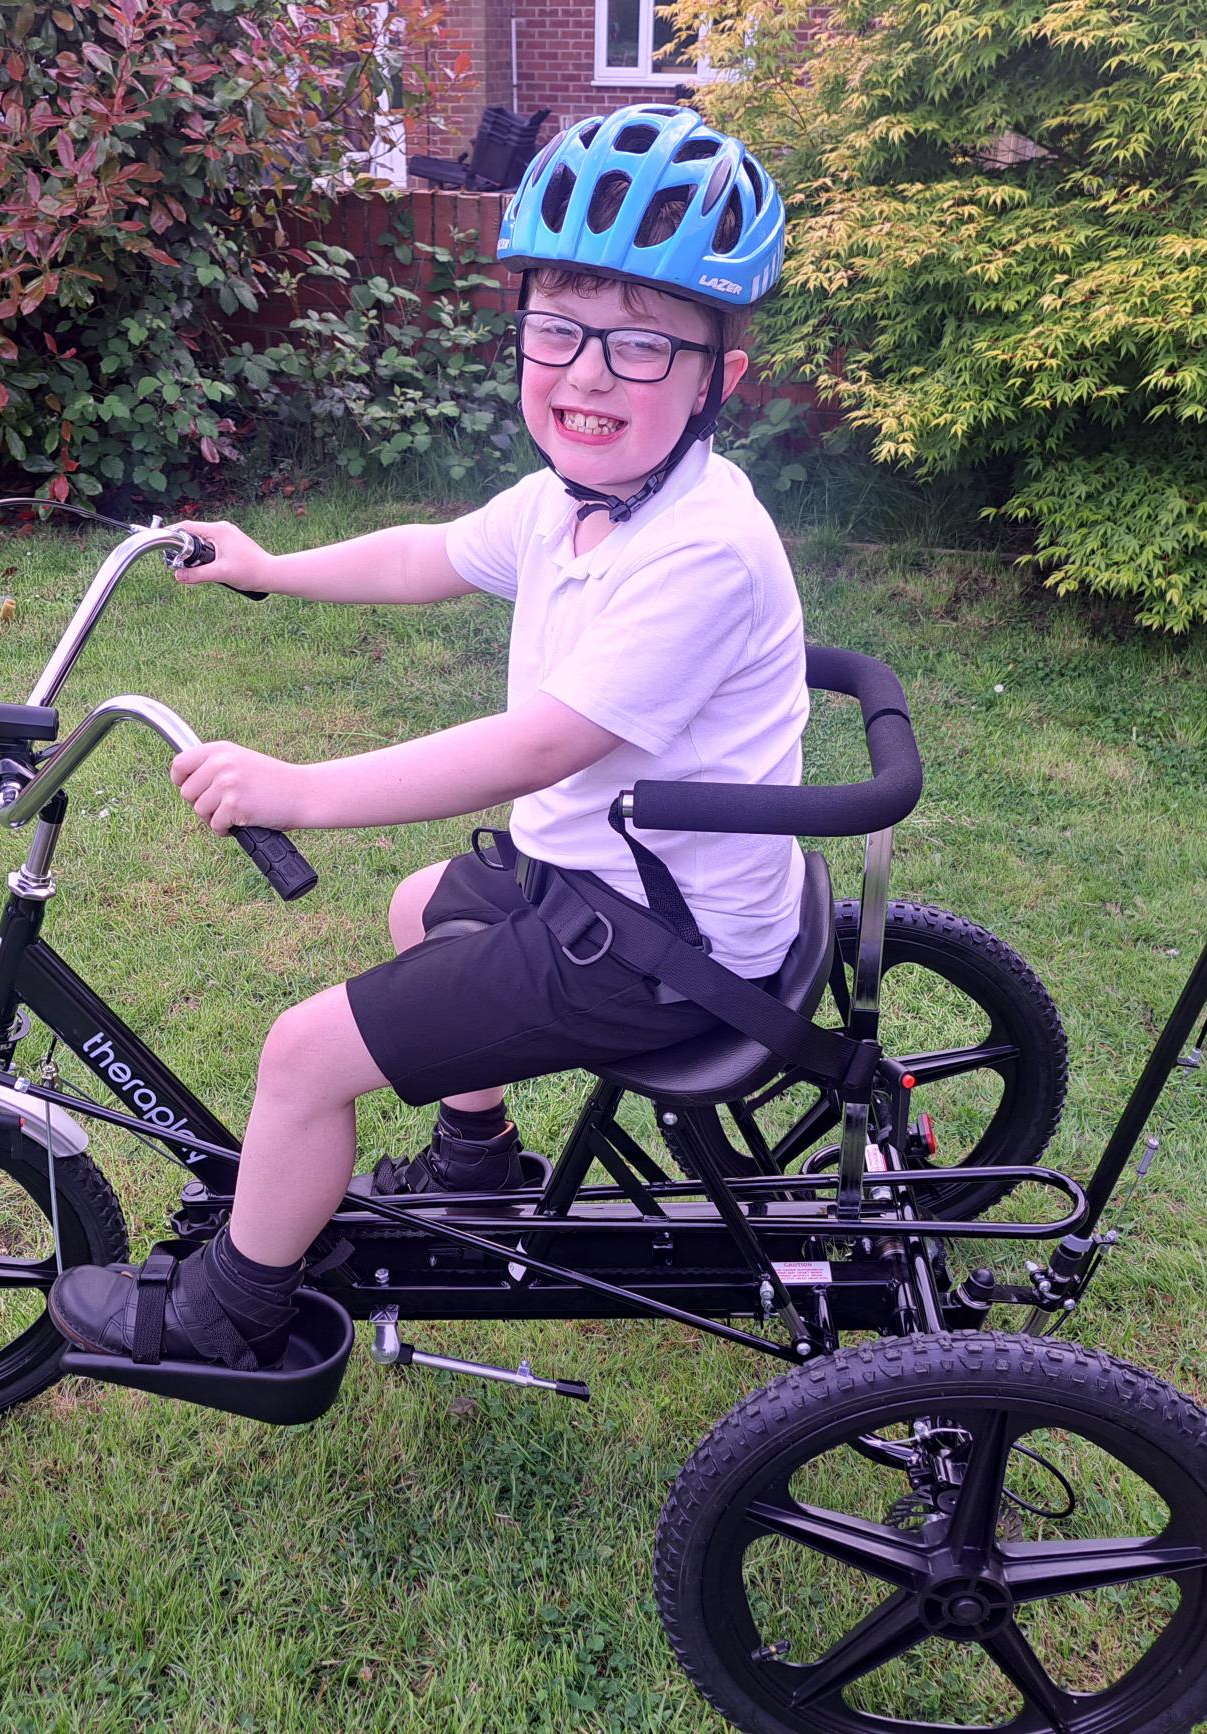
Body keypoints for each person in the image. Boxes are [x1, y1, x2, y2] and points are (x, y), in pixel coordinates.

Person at [48, 103, 804, 1370]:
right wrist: (267, 566)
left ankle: (228, 1317)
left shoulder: (700, 551)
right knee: (418, 906)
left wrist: (298, 786)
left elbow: (532, 751)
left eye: (637, 348)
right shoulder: (581, 501)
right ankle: (477, 1169)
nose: (581, 376)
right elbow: (423, 556)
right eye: (556, 332)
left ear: (714, 380)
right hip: (608, 876)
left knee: (299, 1057)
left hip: (661, 945)